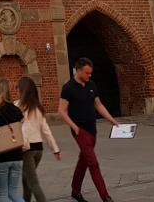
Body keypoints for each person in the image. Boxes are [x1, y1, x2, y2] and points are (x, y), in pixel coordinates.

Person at [59, 57, 120, 202]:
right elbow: (62, 110)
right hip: (79, 130)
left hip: (92, 128)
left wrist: (112, 120)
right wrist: (73, 126)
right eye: (87, 73)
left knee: (84, 160)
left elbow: (98, 105)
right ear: (78, 70)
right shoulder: (68, 88)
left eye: (90, 73)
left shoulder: (91, 85)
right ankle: (105, 197)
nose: (89, 76)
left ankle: (75, 190)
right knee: (93, 162)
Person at [17, 77, 60, 202]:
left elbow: (24, 130)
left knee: (33, 183)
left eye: (18, 89)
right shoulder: (38, 108)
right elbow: (46, 131)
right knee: (26, 179)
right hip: (38, 150)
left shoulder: (19, 107)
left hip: (27, 150)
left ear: (22, 91)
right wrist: (55, 149)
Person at [0, 79, 25, 202]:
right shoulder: (16, 109)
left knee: (3, 194)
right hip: (17, 155)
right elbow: (21, 125)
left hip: (2, 157)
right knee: (13, 193)